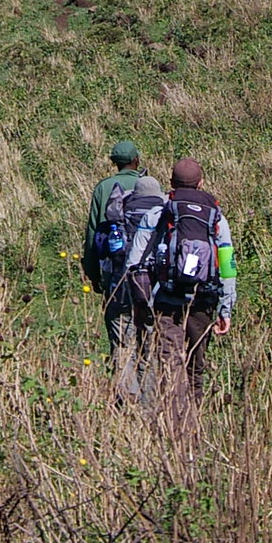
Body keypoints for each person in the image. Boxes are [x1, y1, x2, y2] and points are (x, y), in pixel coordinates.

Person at [125, 157, 237, 415]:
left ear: (171, 183)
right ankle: (193, 418)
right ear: (201, 183)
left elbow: (134, 263)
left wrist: (142, 302)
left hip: (167, 301)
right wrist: (226, 309)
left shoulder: (158, 212)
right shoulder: (216, 218)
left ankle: (176, 425)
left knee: (170, 364)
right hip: (203, 303)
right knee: (196, 366)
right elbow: (228, 266)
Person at [81, 140, 162, 398]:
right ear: (136, 161)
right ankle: (149, 400)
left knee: (122, 342)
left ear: (114, 162)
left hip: (117, 278)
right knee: (147, 343)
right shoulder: (153, 189)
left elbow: (94, 235)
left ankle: (126, 401)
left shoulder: (104, 188)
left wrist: (94, 274)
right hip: (150, 282)